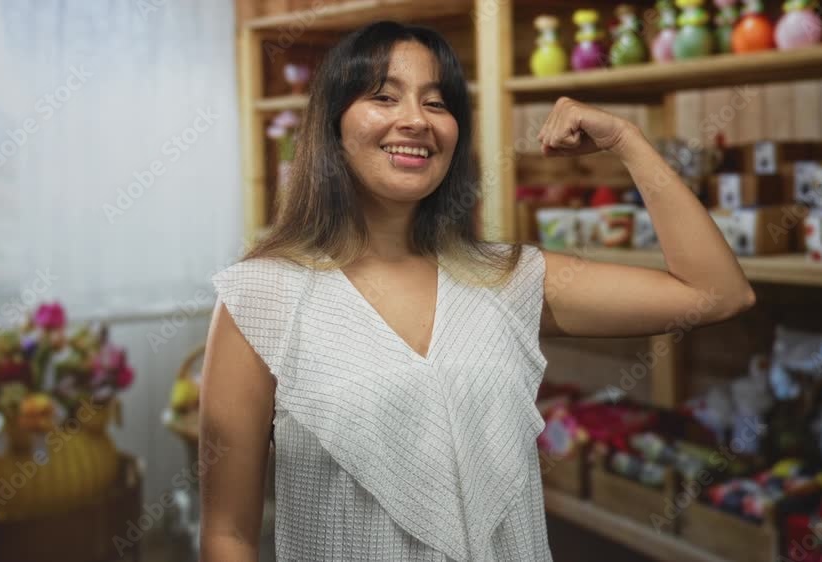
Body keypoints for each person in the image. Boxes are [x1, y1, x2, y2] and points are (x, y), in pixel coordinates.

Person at [198, 20, 755, 562]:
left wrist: (627, 141)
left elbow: (716, 292)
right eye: (384, 97)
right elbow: (229, 533)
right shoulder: (261, 298)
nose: (416, 120)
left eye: (437, 103)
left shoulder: (507, 278)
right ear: (332, 127)